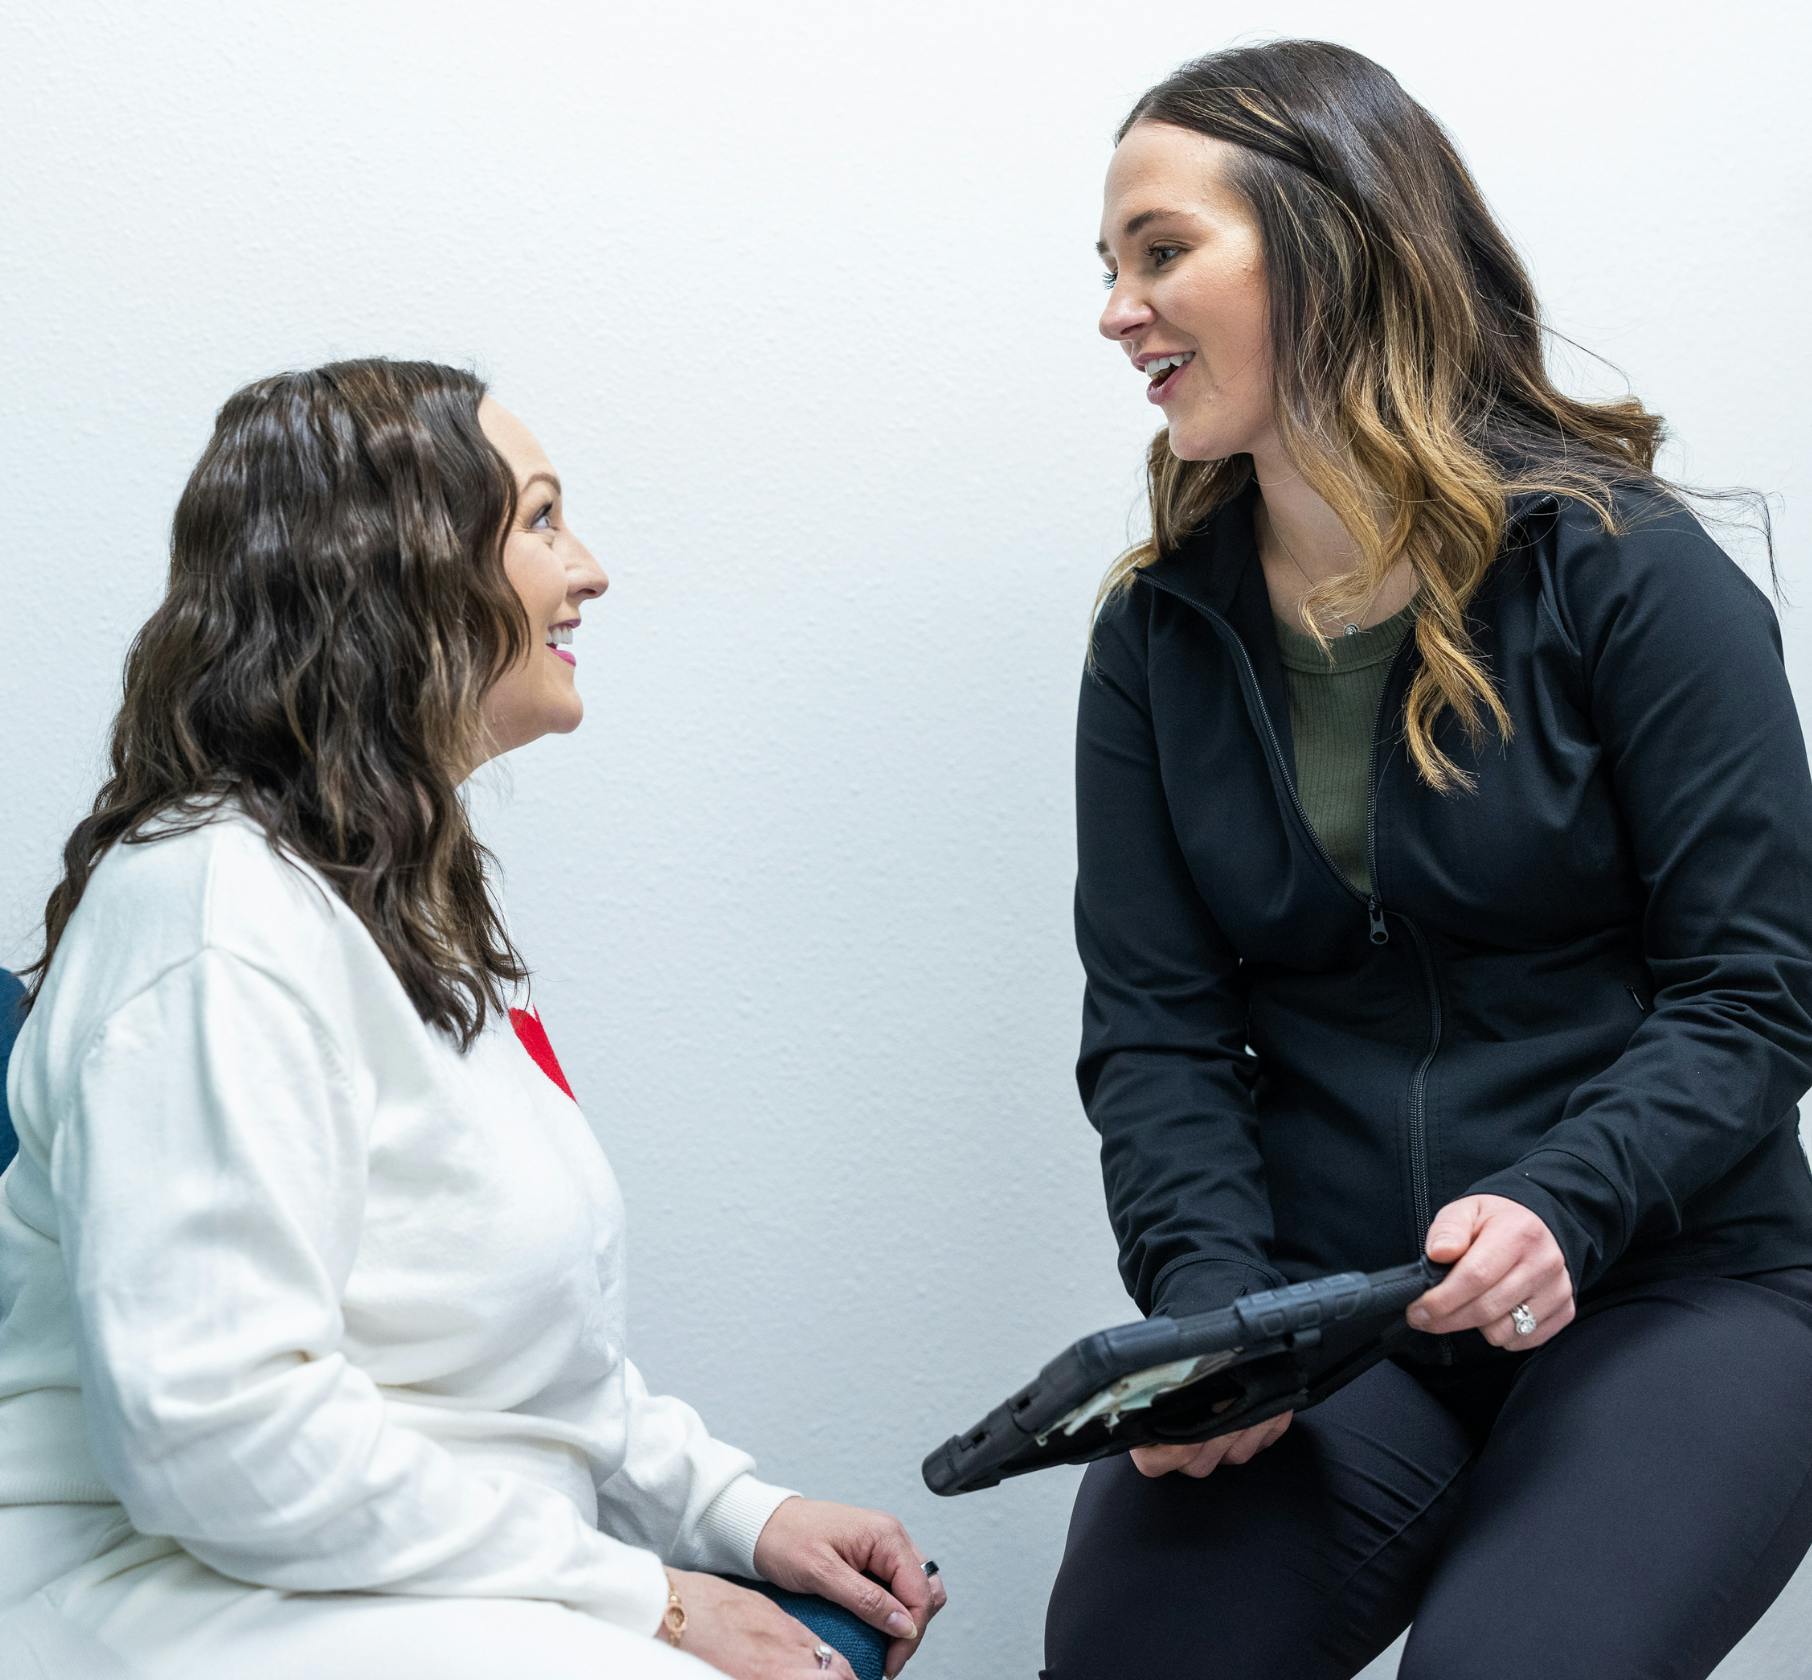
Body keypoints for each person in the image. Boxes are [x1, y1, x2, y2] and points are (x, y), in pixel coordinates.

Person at [1042, 39, 1812, 1680]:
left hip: (1674, 1284)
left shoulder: (1629, 575)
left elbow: (1758, 992)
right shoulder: (1158, 641)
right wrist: (1213, 1323)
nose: (1117, 311)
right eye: (1108, 265)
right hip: (1334, 1311)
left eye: (1162, 251)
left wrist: (1558, 1202)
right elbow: (1159, 1036)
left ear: (1331, 241)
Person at [0, 358, 946, 1680]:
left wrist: (740, 1513)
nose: (591, 570)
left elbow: (515, 1367)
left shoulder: (397, 902)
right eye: (542, 519)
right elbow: (216, 1436)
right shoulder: (213, 913)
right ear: (395, 571)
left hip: (382, 1574)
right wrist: (650, 1601)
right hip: (165, 1590)